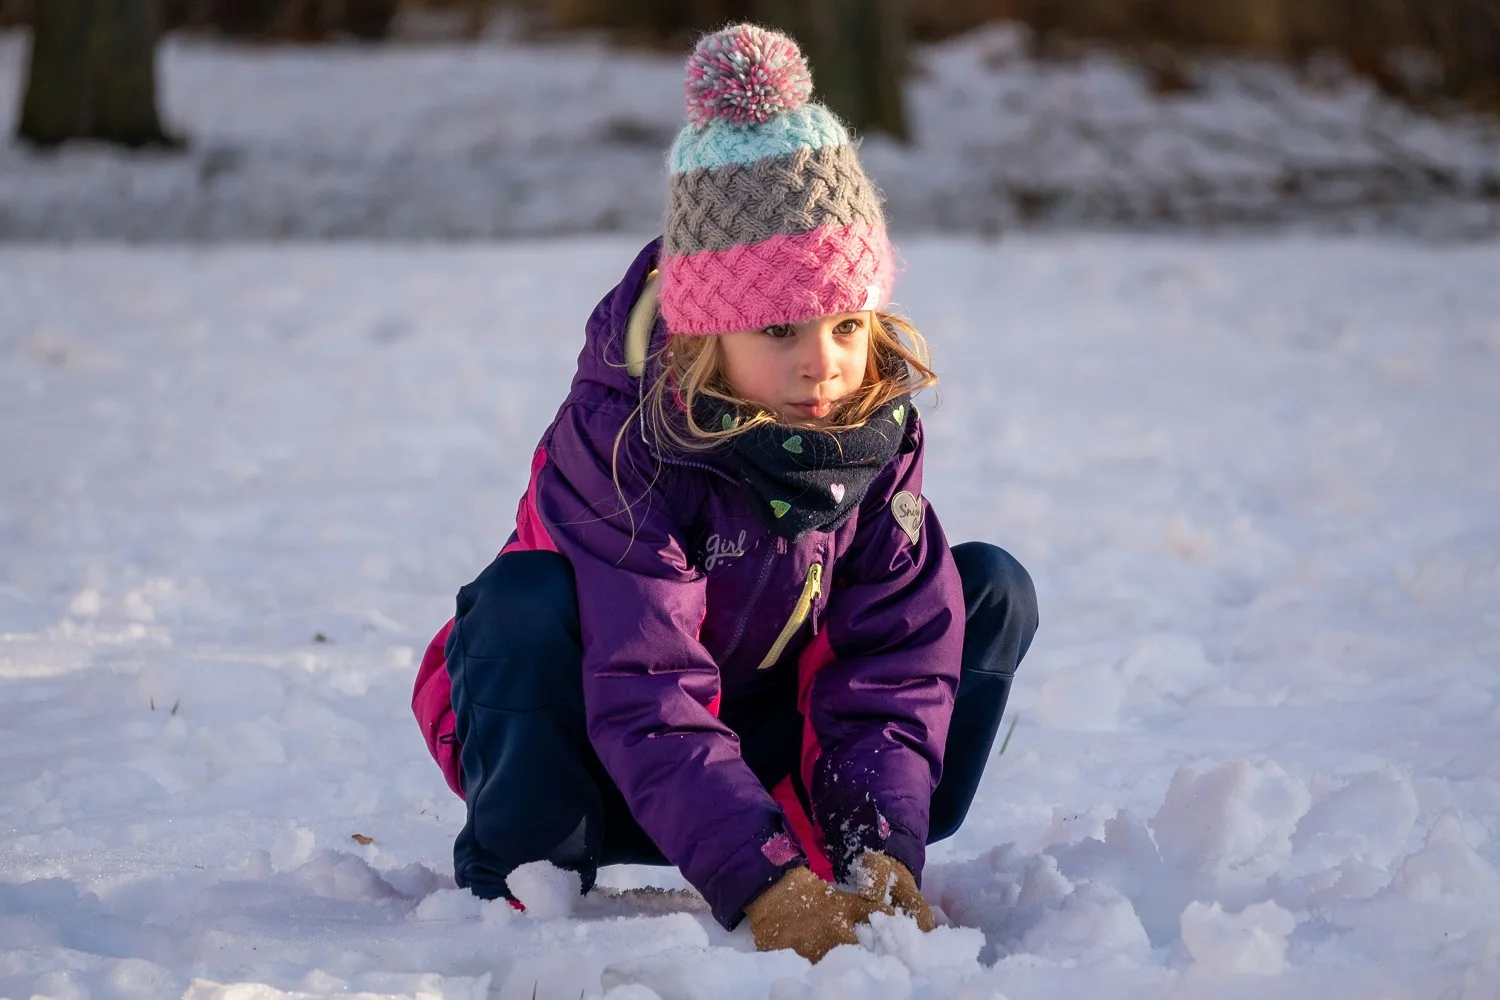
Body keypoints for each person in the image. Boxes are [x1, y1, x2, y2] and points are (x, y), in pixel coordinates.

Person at [411, 24, 1037, 963]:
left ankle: (846, 837)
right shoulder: (625, 440)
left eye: (847, 324)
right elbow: (645, 679)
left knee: (979, 587)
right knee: (524, 602)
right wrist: (760, 885)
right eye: (780, 330)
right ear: (707, 332)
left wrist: (881, 854)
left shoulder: (872, 429)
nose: (823, 363)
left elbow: (891, 662)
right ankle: (527, 874)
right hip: (586, 751)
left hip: (756, 744)